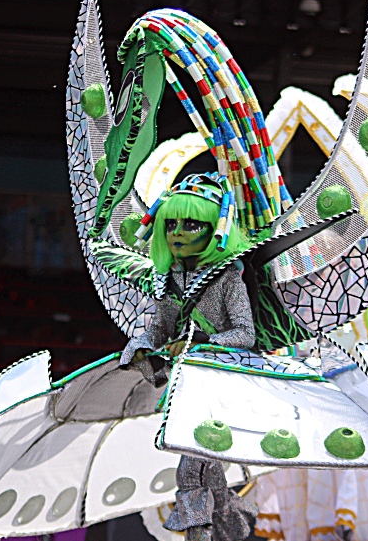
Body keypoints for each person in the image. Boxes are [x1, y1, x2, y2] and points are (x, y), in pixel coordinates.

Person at [119, 173, 257, 541]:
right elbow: (160, 331)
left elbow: (246, 334)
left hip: (225, 384)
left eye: (191, 224)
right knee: (208, 473)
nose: (177, 233)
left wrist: (201, 342)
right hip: (188, 387)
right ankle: (232, 523)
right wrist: (142, 347)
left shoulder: (228, 278)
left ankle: (202, 534)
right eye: (171, 224)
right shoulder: (167, 280)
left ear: (215, 230)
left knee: (190, 472)